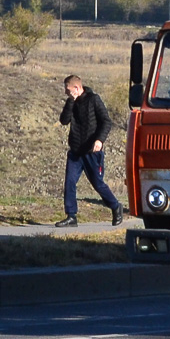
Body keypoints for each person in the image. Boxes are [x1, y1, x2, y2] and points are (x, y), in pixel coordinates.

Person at [55, 75, 124, 228]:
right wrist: (70, 102)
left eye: (68, 90)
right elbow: (64, 120)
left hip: (92, 152)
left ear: (77, 88)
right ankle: (71, 216)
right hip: (75, 151)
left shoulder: (94, 99)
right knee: (70, 182)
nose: (66, 93)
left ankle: (115, 206)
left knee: (98, 183)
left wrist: (99, 140)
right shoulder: (71, 103)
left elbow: (106, 121)